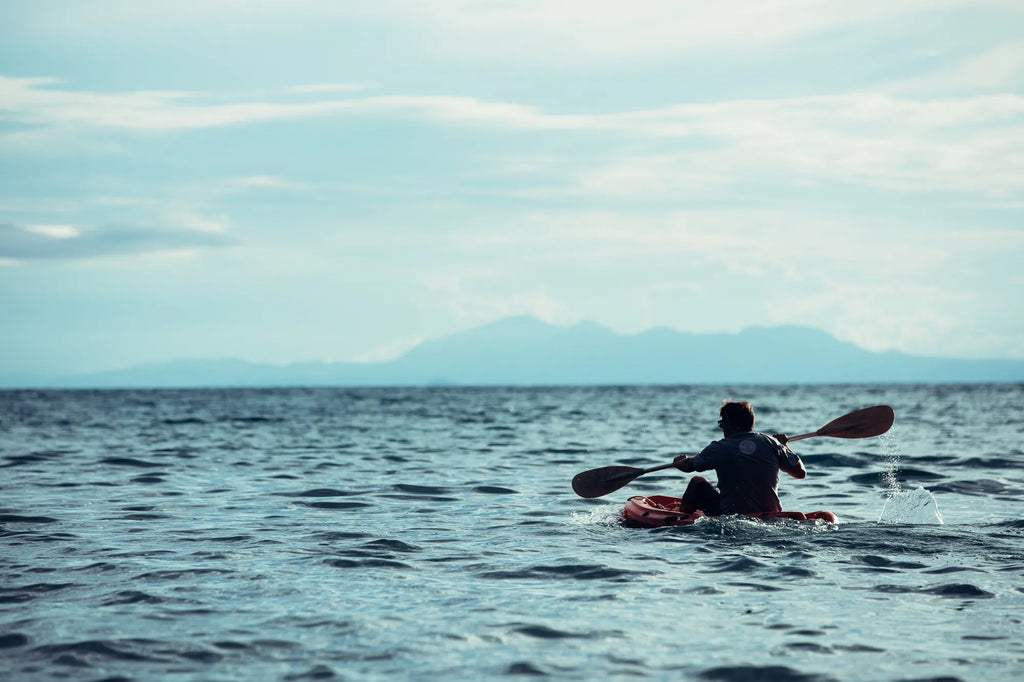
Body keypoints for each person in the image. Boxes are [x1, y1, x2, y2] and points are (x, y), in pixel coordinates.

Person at [672, 400, 806, 516]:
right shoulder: (771, 442)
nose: (722, 428)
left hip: (732, 516)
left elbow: (688, 467)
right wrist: (784, 446)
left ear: (729, 424)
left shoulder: (720, 447)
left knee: (696, 482)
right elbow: (800, 473)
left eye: (722, 424)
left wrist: (678, 462)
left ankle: (680, 514)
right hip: (772, 514)